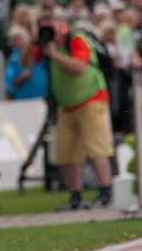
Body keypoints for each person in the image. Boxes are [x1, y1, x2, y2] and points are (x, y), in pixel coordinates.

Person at [41, 19, 114, 210]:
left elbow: (78, 68)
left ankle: (106, 192)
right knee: (68, 154)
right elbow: (26, 62)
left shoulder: (76, 39)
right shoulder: (48, 45)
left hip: (91, 100)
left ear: (62, 27)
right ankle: (76, 197)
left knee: (97, 149)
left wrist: (54, 54)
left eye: (52, 28)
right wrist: (36, 42)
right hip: (67, 106)